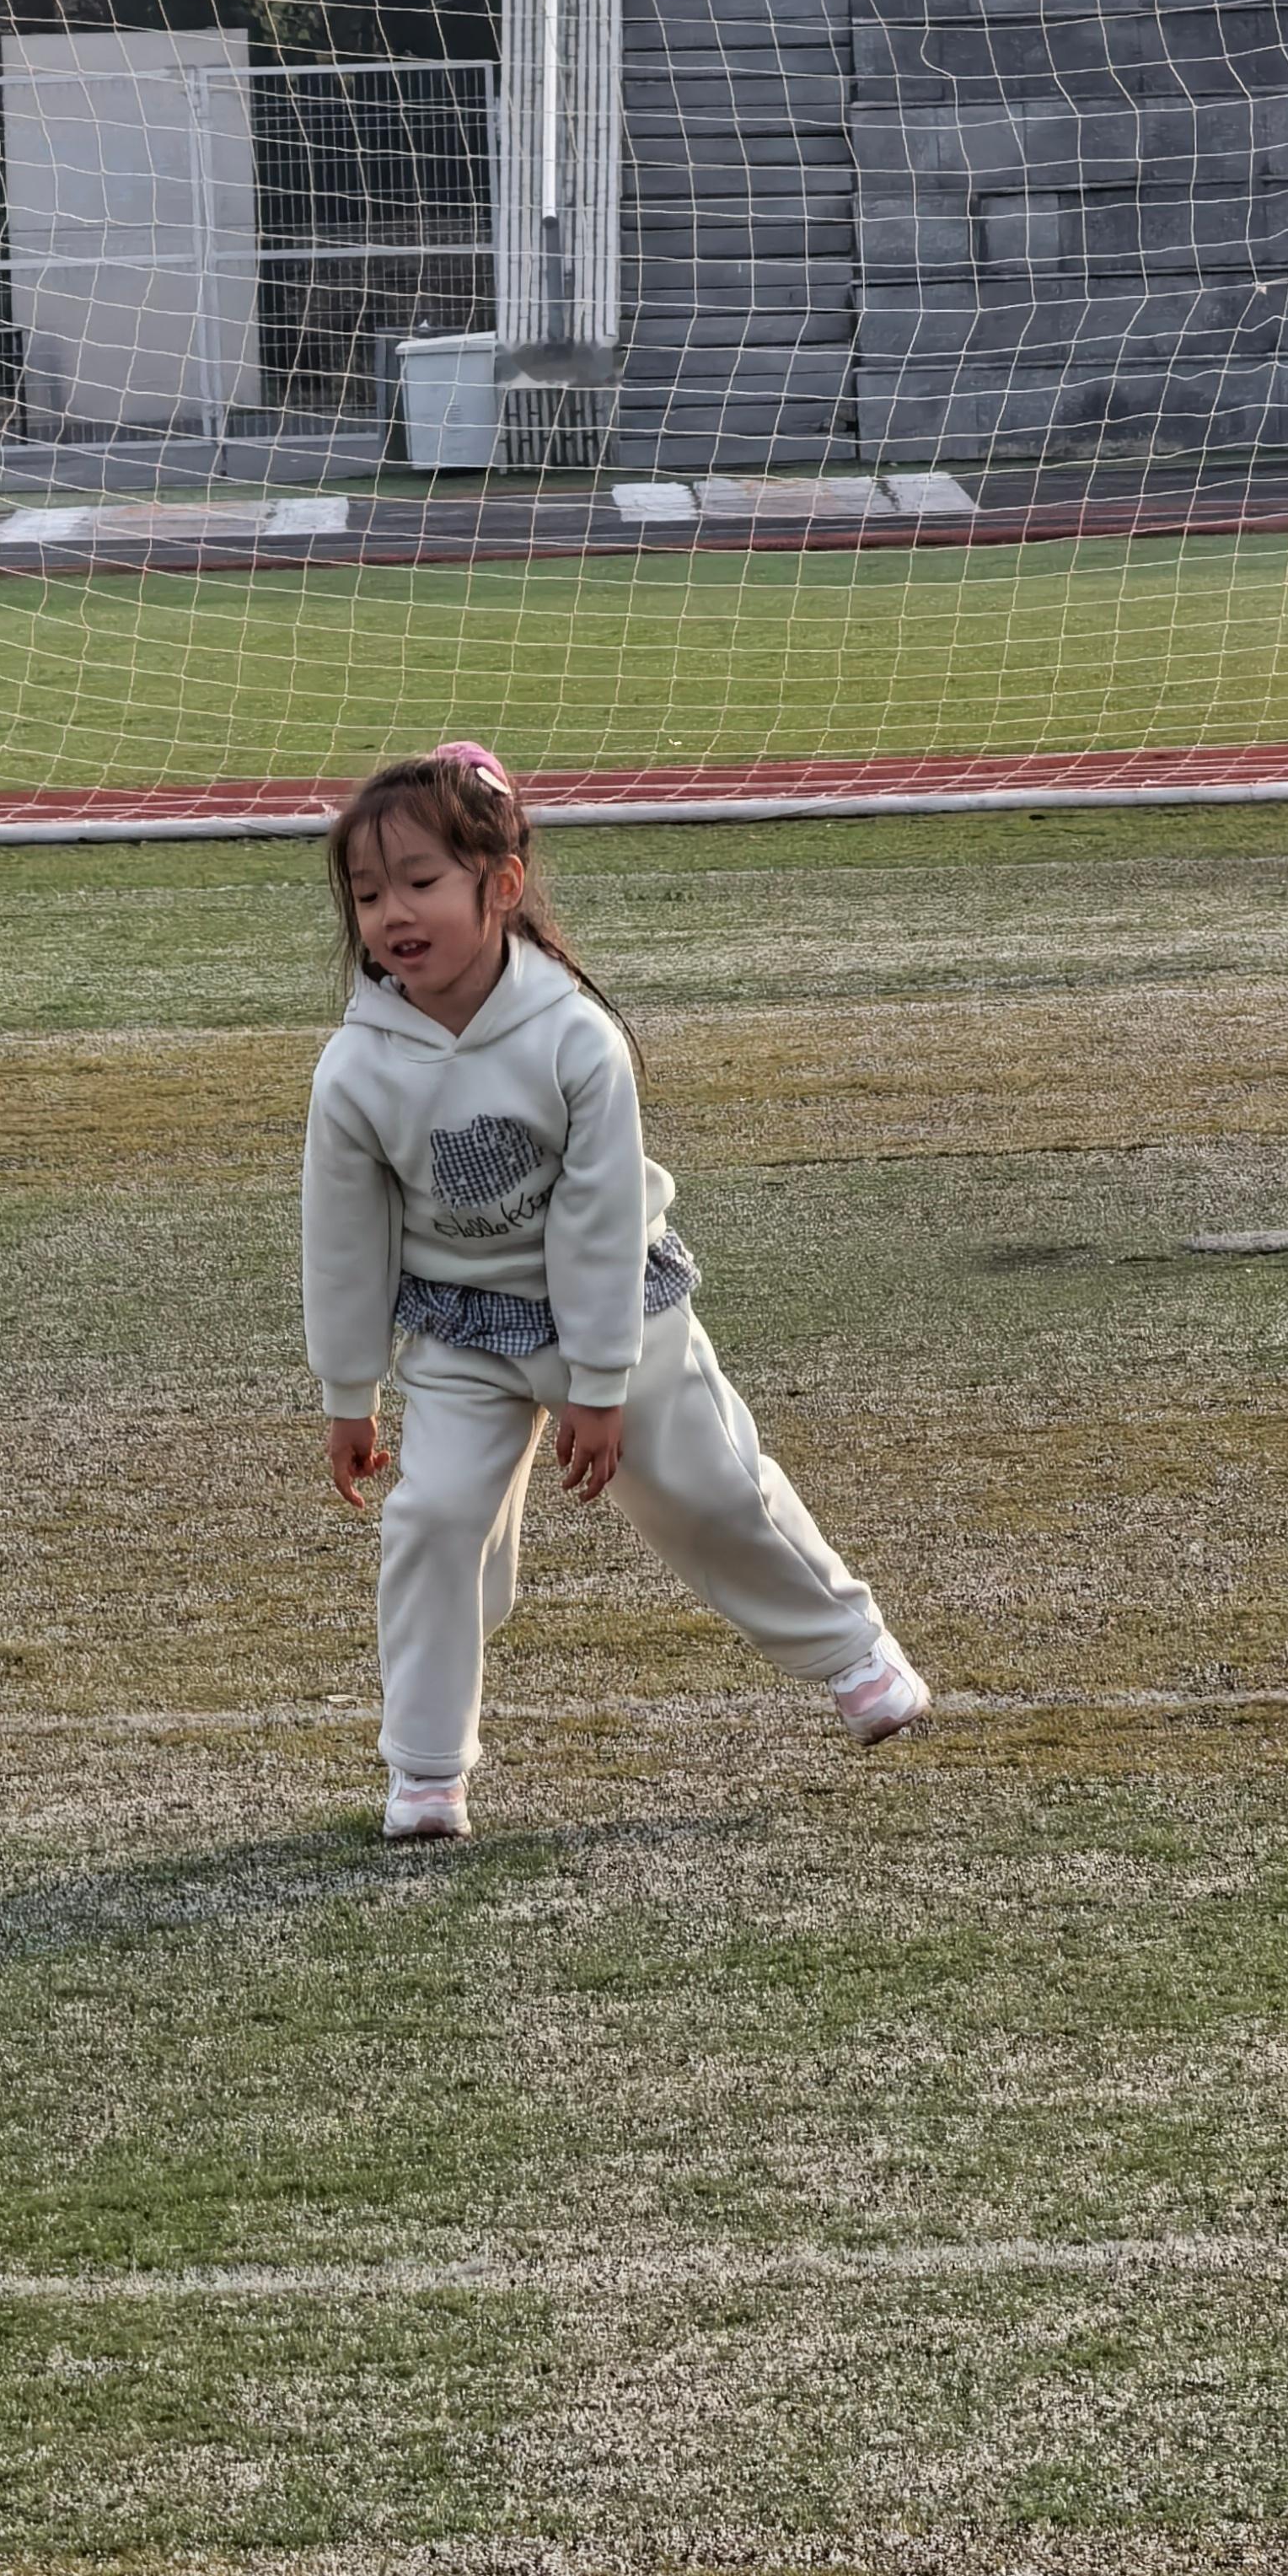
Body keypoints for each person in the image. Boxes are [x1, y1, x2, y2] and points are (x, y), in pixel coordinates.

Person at [303, 741, 929, 1843]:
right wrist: (347, 1392)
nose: (392, 913)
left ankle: (855, 1654)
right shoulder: (355, 1067)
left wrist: (599, 1384)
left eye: (421, 882)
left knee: (708, 1491)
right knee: (435, 1516)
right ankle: (427, 1772)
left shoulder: (575, 1039)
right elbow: (346, 1240)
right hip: (459, 1326)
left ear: (499, 887)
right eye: (367, 893)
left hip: (616, 1310)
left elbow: (596, 1226)